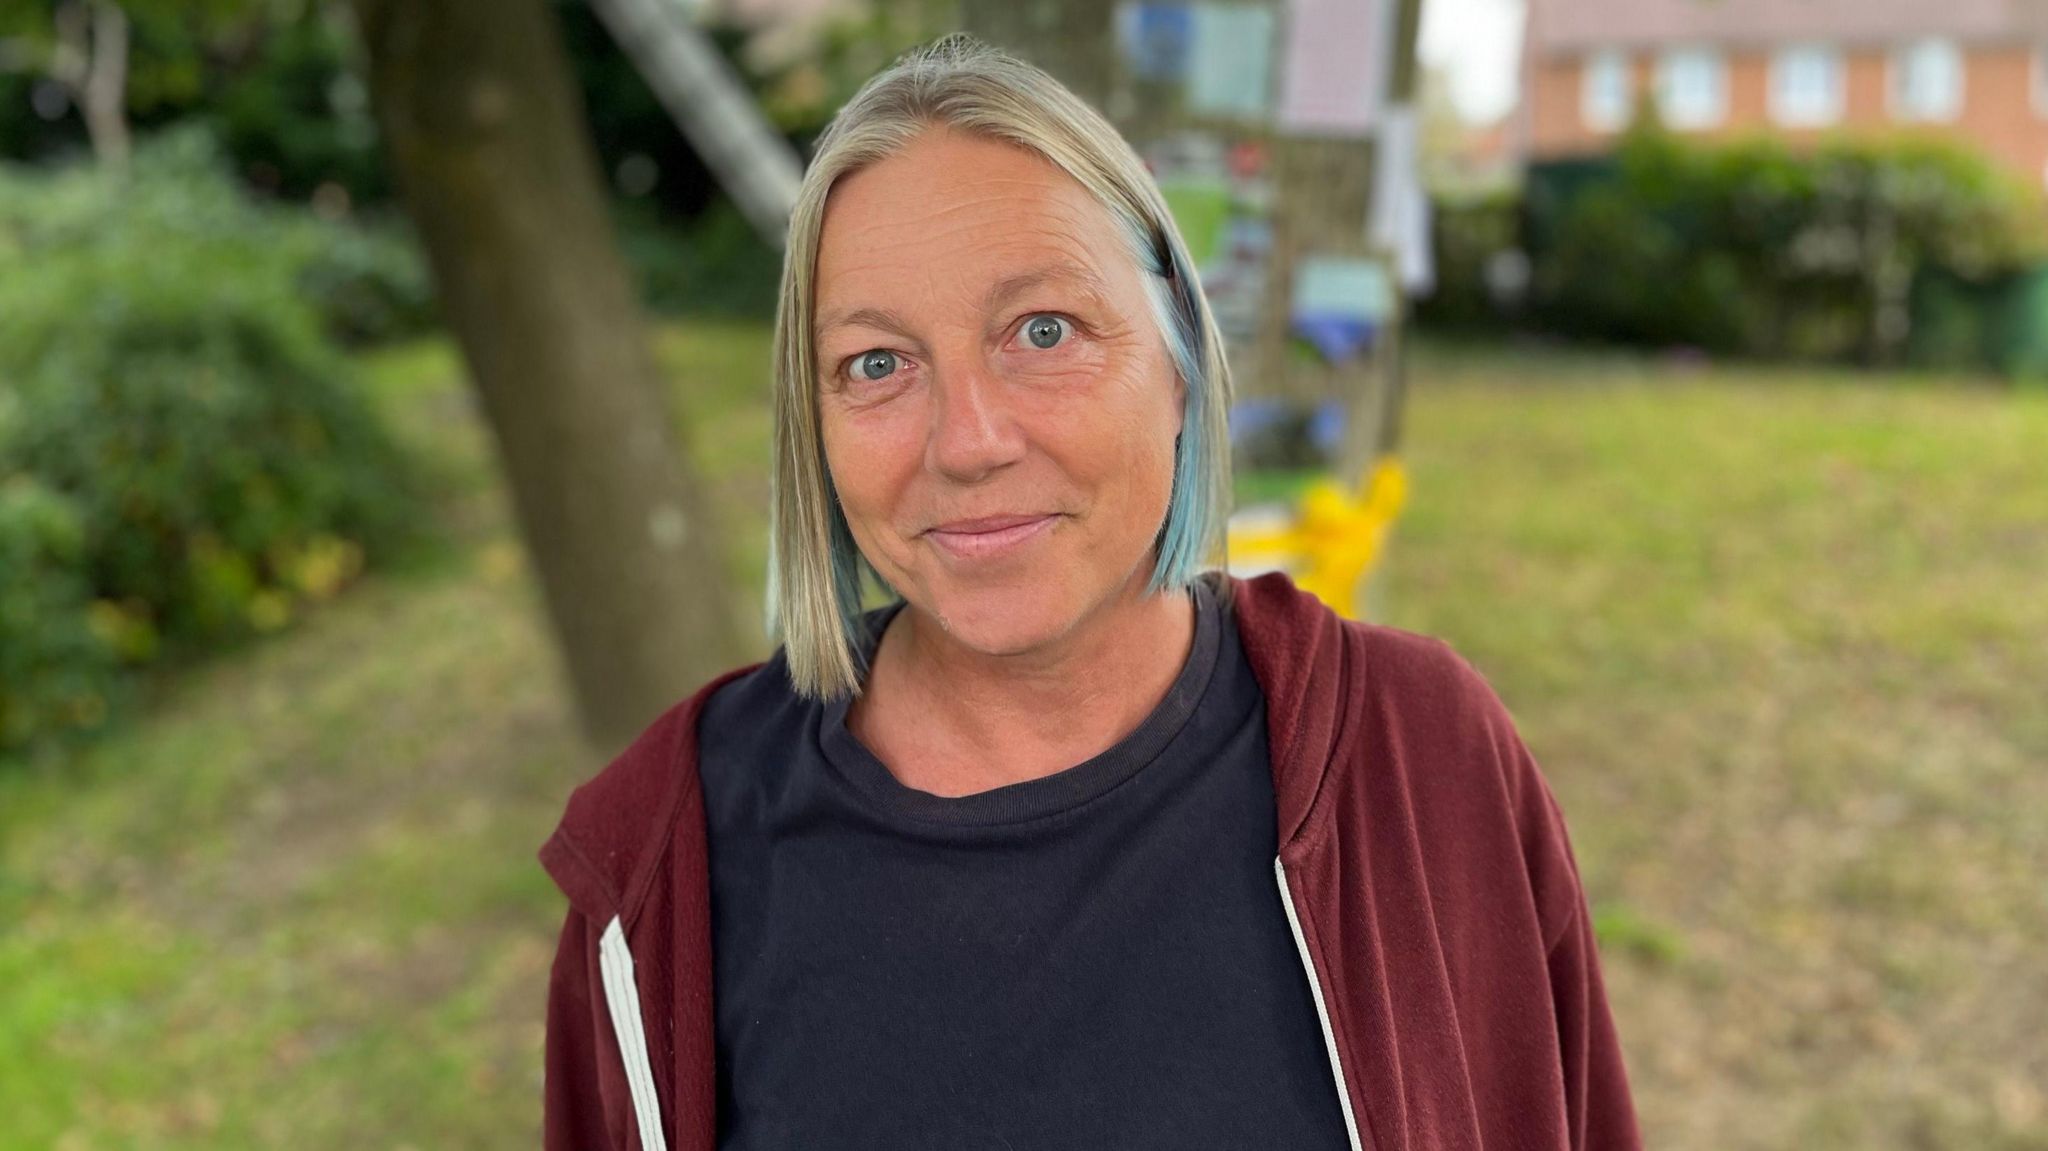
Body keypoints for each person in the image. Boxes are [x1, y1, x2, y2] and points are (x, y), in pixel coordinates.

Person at [538, 34, 1641, 1151]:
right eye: (876, 363)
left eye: (1043, 331)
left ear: (1174, 364)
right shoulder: (660, 864)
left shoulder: (1420, 754)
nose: (966, 442)